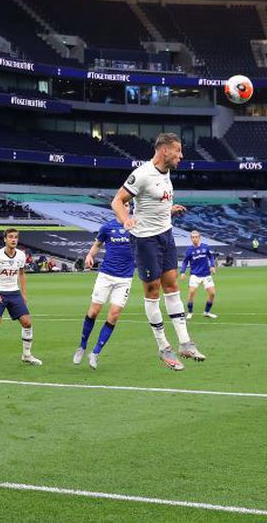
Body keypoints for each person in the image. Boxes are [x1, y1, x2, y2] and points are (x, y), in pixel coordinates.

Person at [110, 132, 204, 372]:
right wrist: (125, 221)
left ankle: (185, 343)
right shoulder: (141, 174)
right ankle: (163, 346)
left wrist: (169, 209)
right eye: (178, 151)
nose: (181, 156)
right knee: (153, 291)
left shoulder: (166, 172)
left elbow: (154, 201)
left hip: (166, 235)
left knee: (172, 287)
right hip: (145, 240)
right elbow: (117, 201)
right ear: (165, 151)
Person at [75, 219, 135, 369]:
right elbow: (97, 244)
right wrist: (90, 255)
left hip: (125, 278)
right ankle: (82, 346)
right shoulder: (107, 227)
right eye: (124, 203)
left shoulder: (136, 226)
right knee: (94, 311)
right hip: (106, 275)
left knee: (114, 315)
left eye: (128, 204)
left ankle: (95, 353)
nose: (126, 206)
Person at [0, 228, 42, 370]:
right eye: (10, 237)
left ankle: (26, 355)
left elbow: (22, 274)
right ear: (5, 239)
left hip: (14, 293)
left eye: (16, 237)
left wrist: (24, 294)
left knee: (27, 323)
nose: (13, 239)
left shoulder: (21, 255)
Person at [181, 230, 217, 320]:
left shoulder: (205, 247)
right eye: (193, 237)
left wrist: (212, 266)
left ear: (199, 237)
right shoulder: (189, 250)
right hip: (195, 274)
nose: (194, 239)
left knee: (212, 293)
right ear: (191, 238)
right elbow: (185, 262)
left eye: (196, 237)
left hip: (206, 274)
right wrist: (182, 272)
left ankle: (206, 312)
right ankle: (189, 312)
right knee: (192, 292)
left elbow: (211, 256)